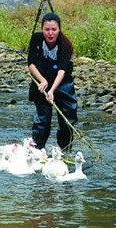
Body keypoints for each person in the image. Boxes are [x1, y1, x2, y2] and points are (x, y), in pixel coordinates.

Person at [27, 12, 78, 152]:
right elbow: (31, 63)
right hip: (41, 82)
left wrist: (52, 90)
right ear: (42, 29)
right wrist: (42, 81)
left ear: (59, 29)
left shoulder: (65, 44)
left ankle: (65, 151)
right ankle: (37, 151)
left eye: (53, 29)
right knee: (42, 121)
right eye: (47, 29)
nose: (50, 33)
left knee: (67, 120)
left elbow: (62, 70)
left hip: (62, 84)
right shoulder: (36, 39)